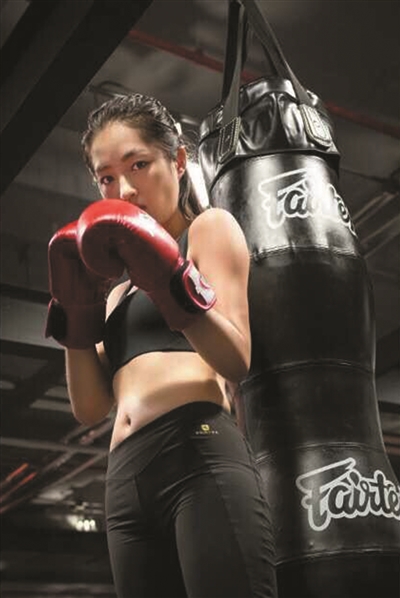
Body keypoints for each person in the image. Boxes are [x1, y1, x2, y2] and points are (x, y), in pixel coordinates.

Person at [45, 93, 277, 598]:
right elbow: (90, 407)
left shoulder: (208, 230)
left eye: (138, 165)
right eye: (107, 178)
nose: (125, 190)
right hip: (124, 480)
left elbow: (236, 357)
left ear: (178, 160)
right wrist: (76, 314)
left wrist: (166, 276)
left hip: (195, 452)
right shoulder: (116, 296)